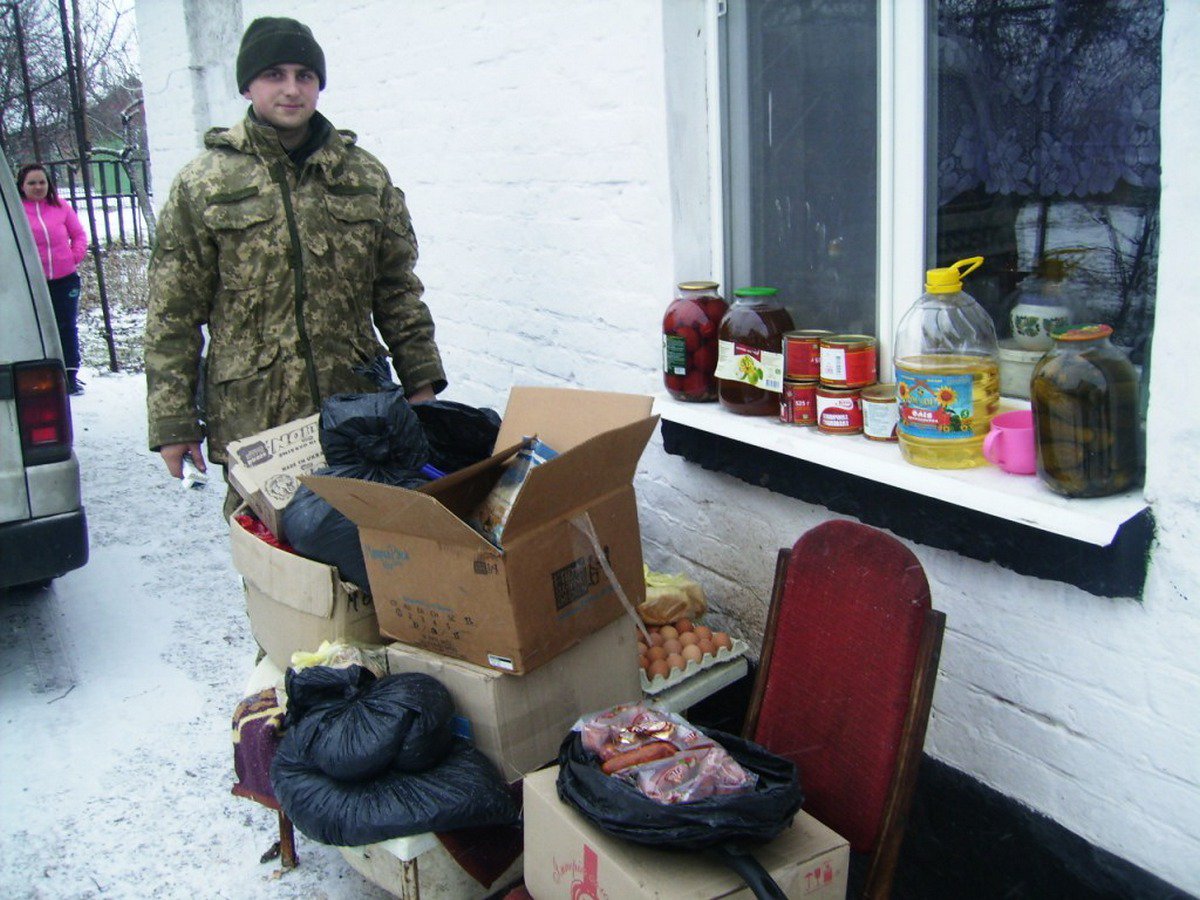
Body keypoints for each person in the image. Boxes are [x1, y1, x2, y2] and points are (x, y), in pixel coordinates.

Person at [144, 17, 446, 509]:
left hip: (356, 409)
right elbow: (172, 313)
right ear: (248, 85)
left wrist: (421, 381)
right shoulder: (204, 184)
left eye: (305, 76)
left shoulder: (363, 175)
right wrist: (173, 421)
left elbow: (396, 288)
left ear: (319, 86)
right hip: (256, 419)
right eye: (275, 75)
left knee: (366, 549)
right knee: (273, 565)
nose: (291, 89)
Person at [18, 163, 89, 395]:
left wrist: (73, 257)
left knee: (66, 326)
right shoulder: (16, 211)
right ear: (21, 186)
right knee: (35, 328)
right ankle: (39, 378)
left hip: (65, 279)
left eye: (42, 182)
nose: (38, 187)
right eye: (32, 183)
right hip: (32, 283)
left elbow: (78, 235)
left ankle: (70, 375)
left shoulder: (60, 206)